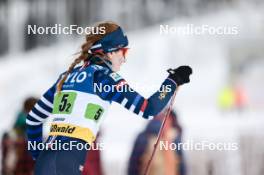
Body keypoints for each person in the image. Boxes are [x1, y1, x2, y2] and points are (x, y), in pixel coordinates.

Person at [26, 21, 192, 175]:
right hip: (68, 162)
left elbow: (33, 119)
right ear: (109, 51)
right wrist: (173, 81)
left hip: (46, 162)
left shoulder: (66, 76)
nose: (124, 58)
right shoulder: (104, 78)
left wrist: (38, 155)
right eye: (124, 51)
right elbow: (149, 109)